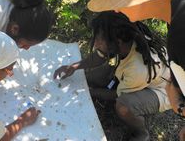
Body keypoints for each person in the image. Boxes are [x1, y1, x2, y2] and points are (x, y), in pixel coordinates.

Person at [86, 0, 185, 139]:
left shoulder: (181, 29)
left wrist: (180, 106)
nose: (115, 10)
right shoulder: (176, 13)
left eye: (116, 1)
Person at [54, 11, 171, 141]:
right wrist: (74, 67)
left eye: (99, 40)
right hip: (139, 75)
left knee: (123, 106)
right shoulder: (123, 40)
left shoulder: (138, 68)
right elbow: (99, 56)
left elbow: (117, 94)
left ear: (118, 42)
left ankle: (142, 133)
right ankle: (115, 80)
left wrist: (90, 92)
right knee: (91, 77)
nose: (96, 44)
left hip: (163, 90)